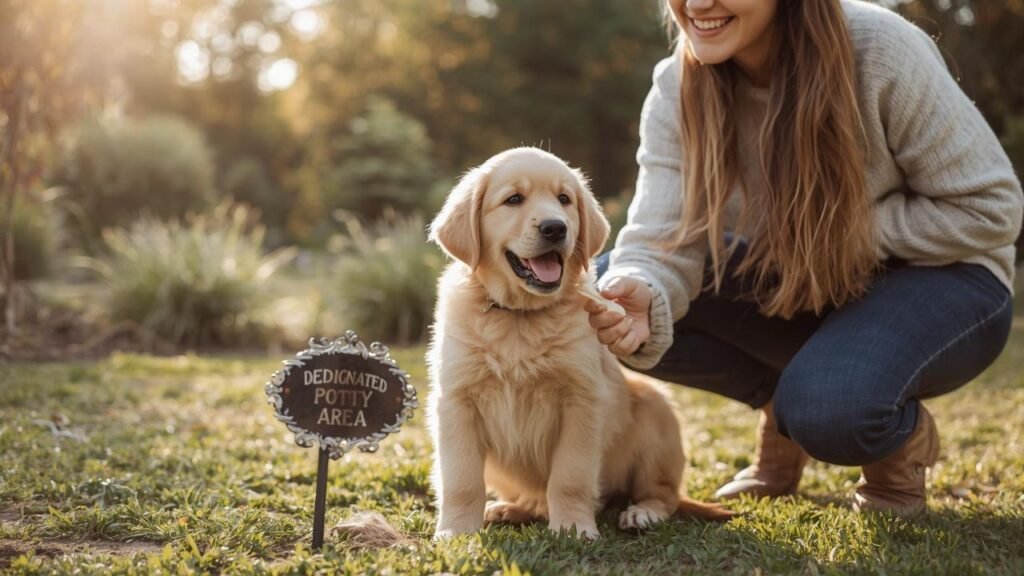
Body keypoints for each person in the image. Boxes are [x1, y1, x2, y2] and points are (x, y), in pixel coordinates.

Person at [586, 0, 1022, 515]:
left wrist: (835, 235)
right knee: (606, 287)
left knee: (829, 406)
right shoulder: (677, 85)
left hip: (948, 276)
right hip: (802, 273)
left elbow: (990, 209)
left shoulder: (879, 48)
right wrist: (644, 288)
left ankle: (891, 442)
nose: (697, 5)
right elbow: (660, 239)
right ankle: (782, 403)